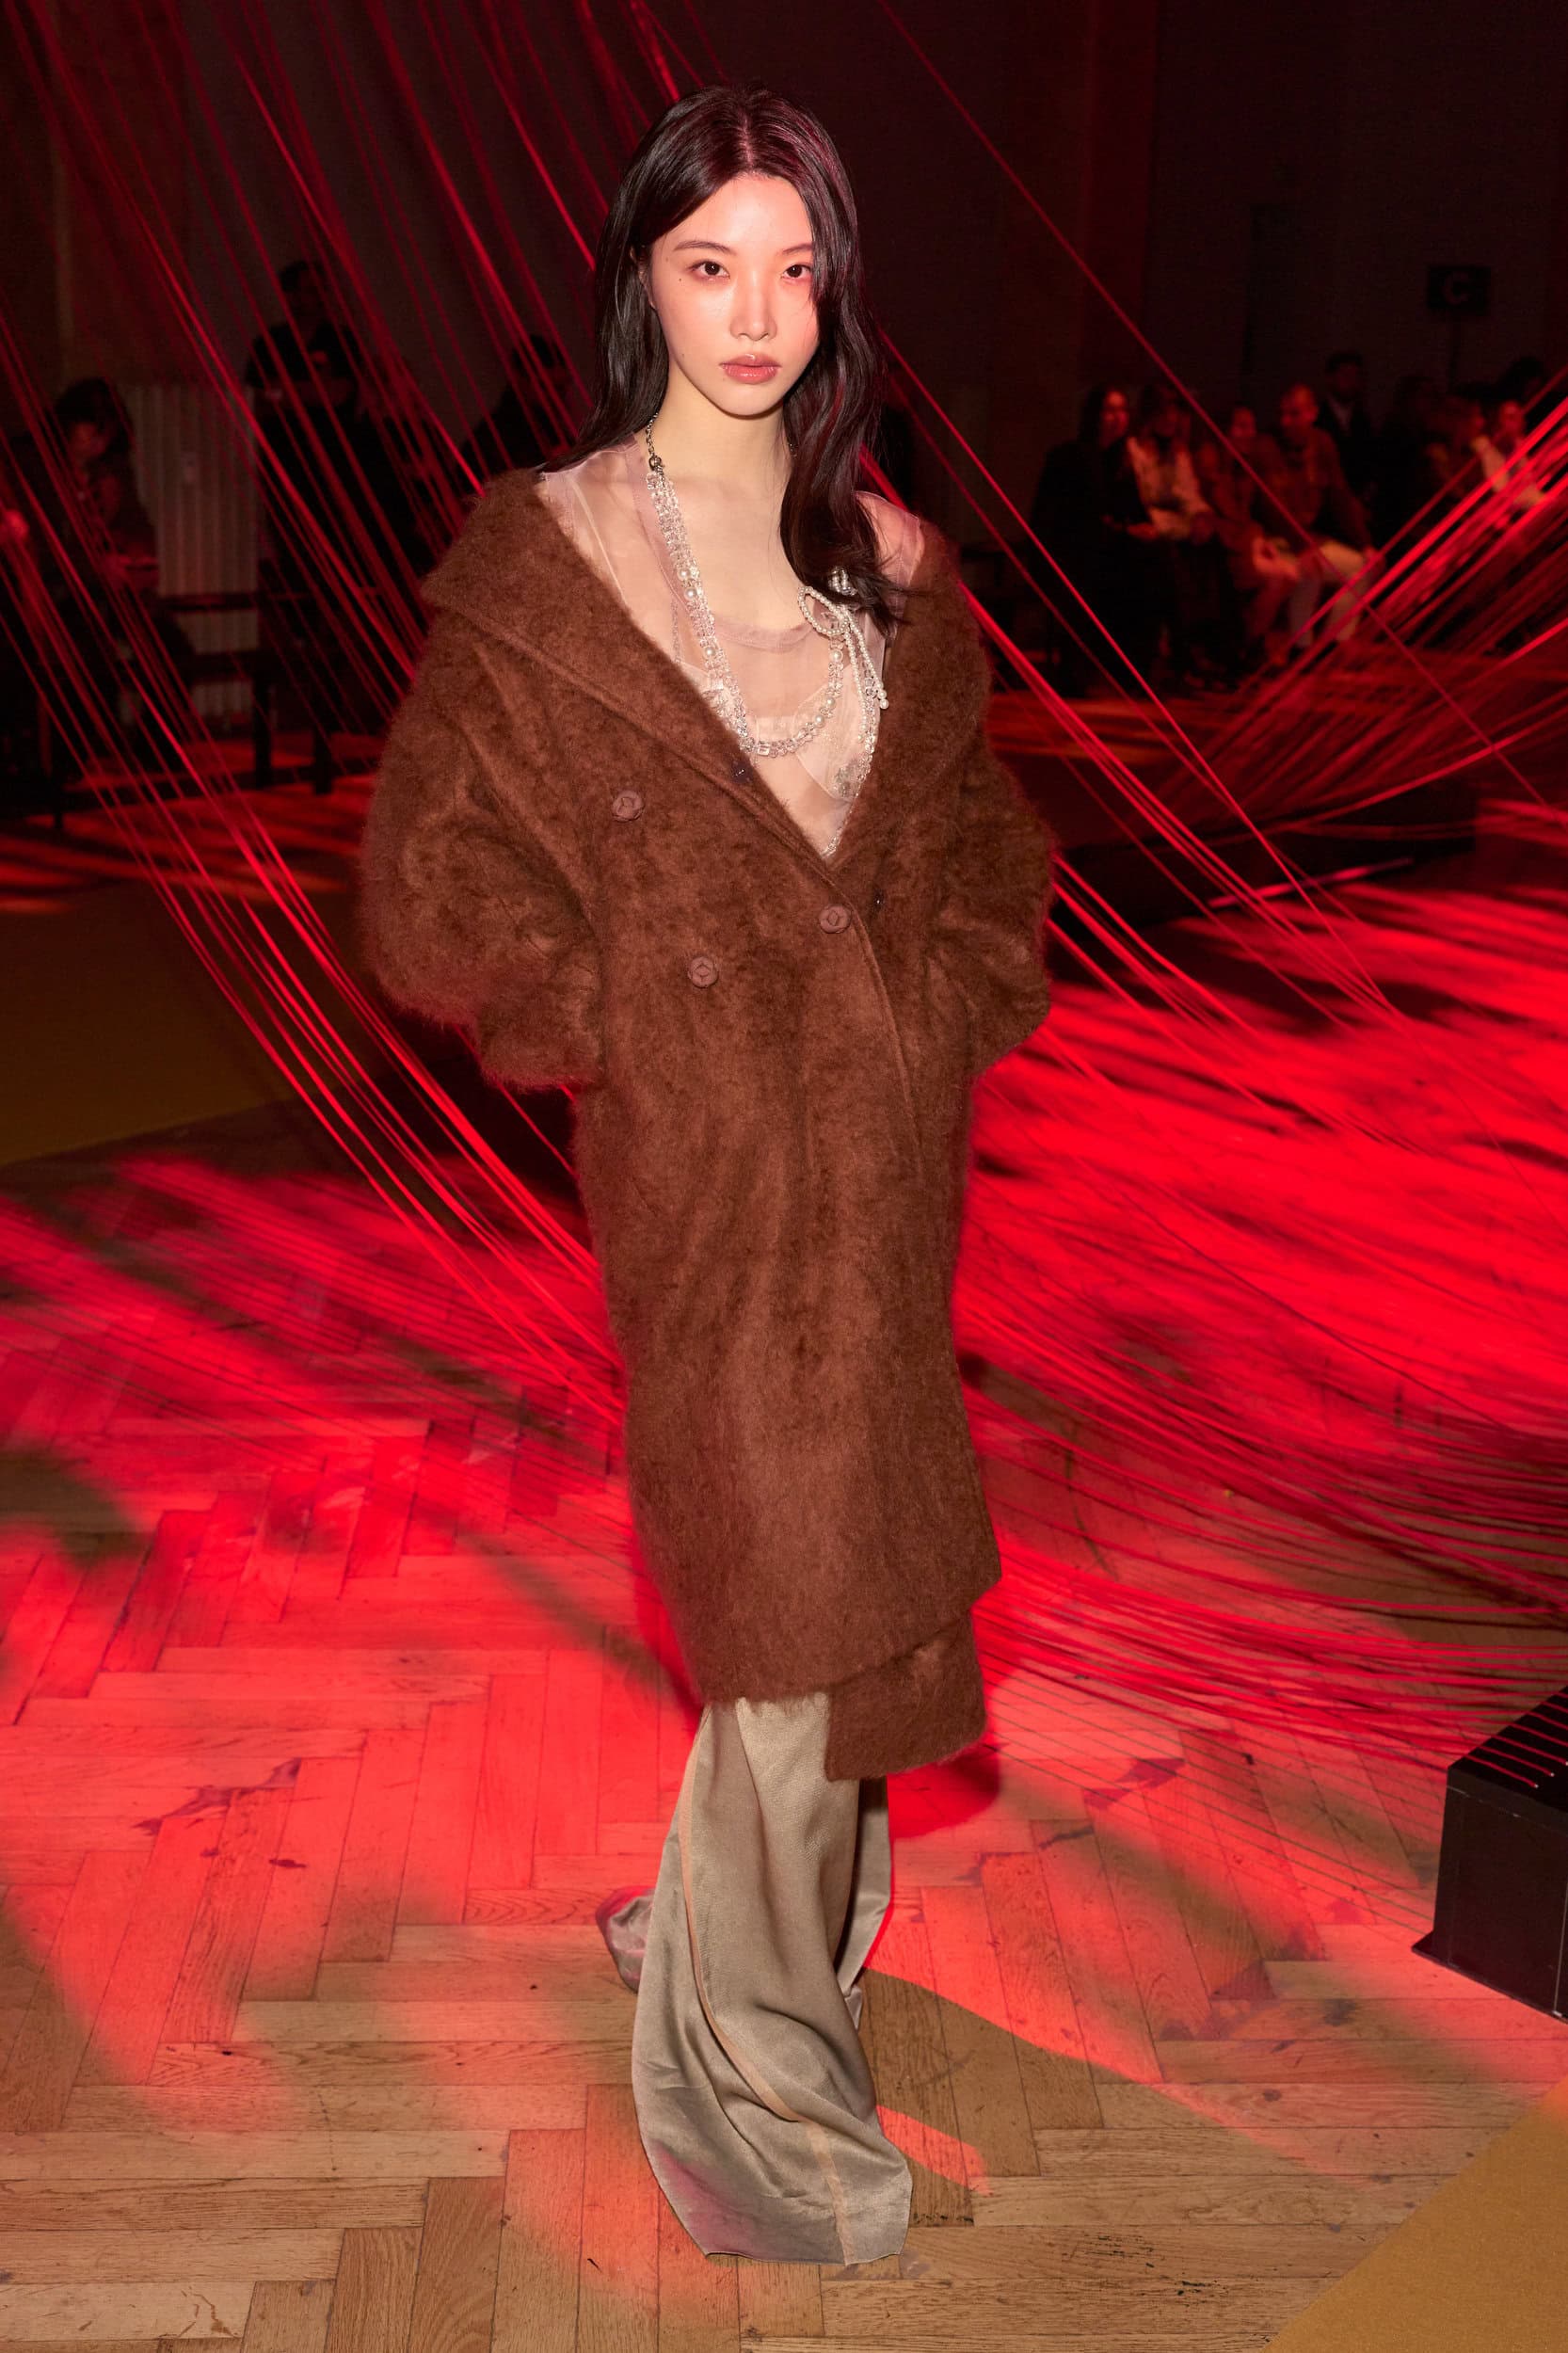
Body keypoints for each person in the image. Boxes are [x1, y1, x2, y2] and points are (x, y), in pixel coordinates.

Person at [357, 84, 1055, 2266]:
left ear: (833, 295)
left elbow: (983, 843)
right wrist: (620, 1016)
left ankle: (723, 1919)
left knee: (829, 1583)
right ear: (640, 283)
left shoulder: (894, 562)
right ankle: (757, 2100)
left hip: (883, 1165)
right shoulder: (552, 563)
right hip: (704, 1180)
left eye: (793, 268)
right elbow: (427, 882)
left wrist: (942, 998)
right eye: (708, 264)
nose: (754, 314)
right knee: (784, 1609)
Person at [1028, 383, 1166, 688]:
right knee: (1103, 572)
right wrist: (1124, 530)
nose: (1118, 417)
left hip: (1108, 548)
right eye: (1109, 410)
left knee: (1155, 563)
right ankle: (1084, 670)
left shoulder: (1121, 461)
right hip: (1072, 550)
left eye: (1122, 410)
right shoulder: (1073, 456)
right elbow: (1072, 517)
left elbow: (1129, 508)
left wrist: (1141, 529)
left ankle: (1136, 669)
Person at [1127, 382, 1240, 685]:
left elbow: (1188, 494)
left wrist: (1201, 517)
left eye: (1174, 413)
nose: (1170, 419)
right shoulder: (1135, 451)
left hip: (1179, 531)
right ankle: (1183, 654)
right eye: (1164, 413)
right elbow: (1142, 503)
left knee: (1213, 553)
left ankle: (1218, 649)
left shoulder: (1177, 452)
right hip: (1151, 534)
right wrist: (1180, 525)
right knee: (1171, 564)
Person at [1259, 383, 1373, 643]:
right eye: (1283, 414)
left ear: (1312, 413)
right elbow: (1270, 507)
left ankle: (1334, 643)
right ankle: (1300, 644)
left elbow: (1339, 496)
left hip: (1307, 537)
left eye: (1294, 414)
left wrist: (1364, 543)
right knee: (1311, 567)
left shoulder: (1321, 444)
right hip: (1276, 539)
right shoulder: (1266, 447)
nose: (1286, 422)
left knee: (1360, 567)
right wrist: (1301, 546)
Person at [1193, 404, 1302, 662]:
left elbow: (1248, 514)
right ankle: (1247, 643)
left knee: (1290, 574)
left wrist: (1258, 539)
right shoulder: (1213, 466)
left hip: (1243, 542)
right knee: (1279, 577)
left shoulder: (1243, 466)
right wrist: (1251, 541)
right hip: (1226, 548)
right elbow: (1225, 514)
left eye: (1252, 427)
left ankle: (1251, 640)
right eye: (1242, 427)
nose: (1249, 434)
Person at [457, 332, 576, 481]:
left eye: (562, 388)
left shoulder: (549, 426)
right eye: (546, 387)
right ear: (520, 379)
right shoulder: (493, 441)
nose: (557, 396)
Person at [1318, 348, 1377, 506]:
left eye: (1356, 376)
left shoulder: (1363, 421)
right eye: (1345, 375)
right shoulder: (1317, 418)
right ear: (1330, 378)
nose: (1351, 382)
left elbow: (1369, 462)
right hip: (1326, 503)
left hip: (1358, 502)